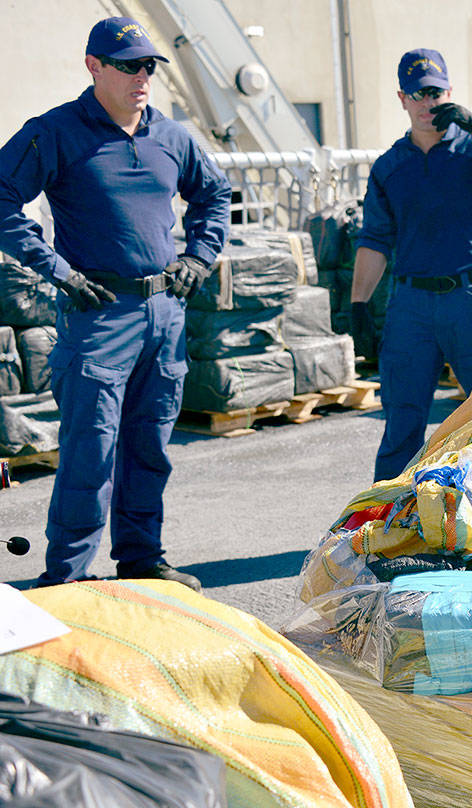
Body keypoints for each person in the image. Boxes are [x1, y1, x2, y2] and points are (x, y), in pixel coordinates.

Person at [0, 17, 230, 591]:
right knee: (91, 452)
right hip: (99, 314)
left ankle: (142, 560)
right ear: (94, 67)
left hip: (165, 313)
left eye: (148, 65)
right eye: (128, 65)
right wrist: (56, 270)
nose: (142, 76)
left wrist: (199, 257)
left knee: (150, 446)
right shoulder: (55, 132)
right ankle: (68, 579)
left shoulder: (172, 137)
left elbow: (215, 194)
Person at [351, 48, 472, 481]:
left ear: (449, 93)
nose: (426, 103)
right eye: (417, 94)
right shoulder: (390, 166)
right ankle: (386, 527)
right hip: (411, 306)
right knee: (402, 421)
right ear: (402, 98)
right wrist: (358, 304)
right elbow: (375, 239)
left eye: (435, 92)